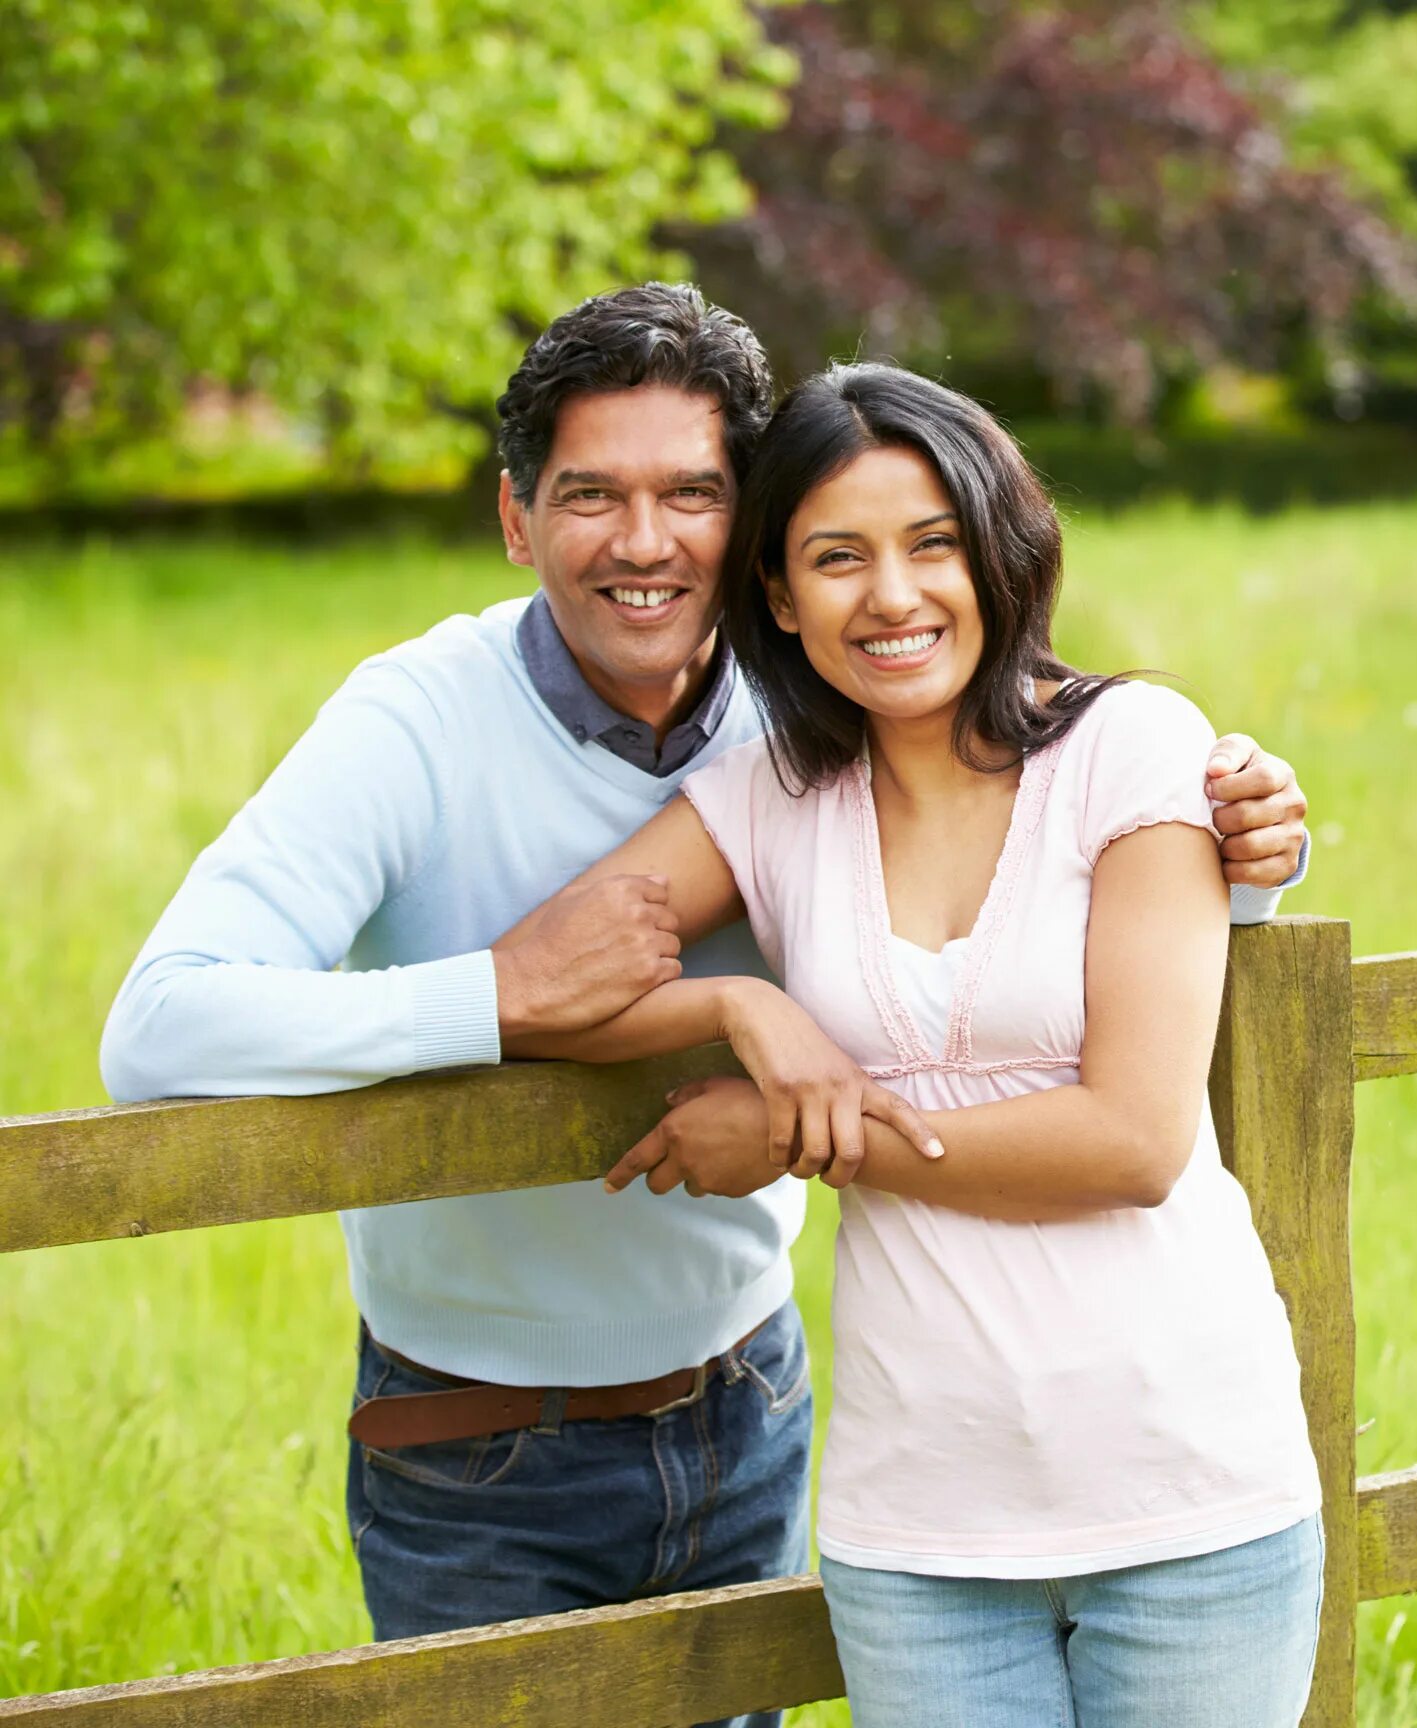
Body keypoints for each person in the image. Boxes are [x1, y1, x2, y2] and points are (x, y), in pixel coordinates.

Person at [95, 285, 1312, 1728]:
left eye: (693, 494)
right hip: (490, 1435)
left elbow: (1103, 1034)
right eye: (592, 495)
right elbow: (178, 1025)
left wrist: (1239, 864)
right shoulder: (499, 735)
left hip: (762, 1407)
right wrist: (697, 1011)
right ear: (515, 517)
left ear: (746, 536)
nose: (645, 540)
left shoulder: (852, 714)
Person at [504, 360, 1324, 1728]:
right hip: (923, 1533)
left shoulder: (1131, 748)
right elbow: (547, 976)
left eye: (932, 544)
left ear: (998, 559)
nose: (891, 596)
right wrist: (736, 1008)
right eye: (837, 557)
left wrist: (800, 1137)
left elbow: (1130, 1142)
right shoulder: (771, 796)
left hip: (1192, 1496)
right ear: (777, 595)